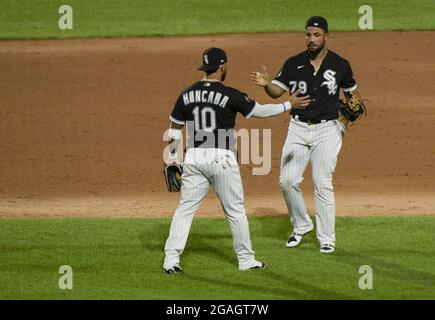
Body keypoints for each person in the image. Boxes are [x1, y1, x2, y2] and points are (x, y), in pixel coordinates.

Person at [163, 47, 311, 273]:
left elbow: (174, 130)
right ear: (222, 67)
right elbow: (259, 111)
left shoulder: (186, 94)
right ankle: (246, 260)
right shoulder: (230, 94)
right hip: (221, 158)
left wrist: (172, 160)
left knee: (185, 210)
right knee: (235, 212)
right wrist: (288, 104)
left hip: (193, 157)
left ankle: (171, 260)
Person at [251, 16, 363, 253]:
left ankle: (327, 238)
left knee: (322, 183)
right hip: (298, 128)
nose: (311, 39)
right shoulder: (293, 63)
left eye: (316, 35)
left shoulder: (341, 64)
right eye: (308, 34)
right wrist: (265, 84)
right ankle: (301, 225)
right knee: (287, 181)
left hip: (328, 129)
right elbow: (276, 92)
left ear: (326, 36)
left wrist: (354, 105)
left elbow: (353, 94)